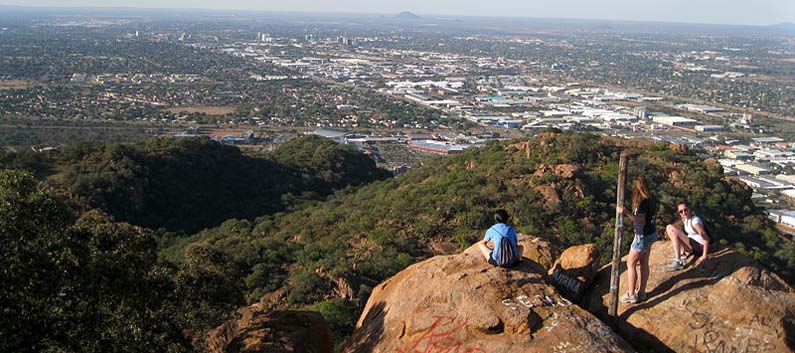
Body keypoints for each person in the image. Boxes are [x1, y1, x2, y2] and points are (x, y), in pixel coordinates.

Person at [616, 177, 657, 304]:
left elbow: (640, 219)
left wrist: (625, 212)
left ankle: (631, 293)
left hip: (642, 235)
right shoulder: (651, 200)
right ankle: (642, 292)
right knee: (644, 262)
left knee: (631, 263)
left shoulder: (643, 203)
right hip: (651, 232)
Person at [665, 201, 710, 270]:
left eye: (685, 210)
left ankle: (678, 261)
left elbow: (706, 238)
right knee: (669, 227)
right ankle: (682, 253)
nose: (684, 213)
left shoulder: (695, 221)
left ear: (689, 209)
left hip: (698, 247)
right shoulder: (685, 220)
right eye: (681, 211)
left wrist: (704, 255)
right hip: (692, 245)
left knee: (674, 231)